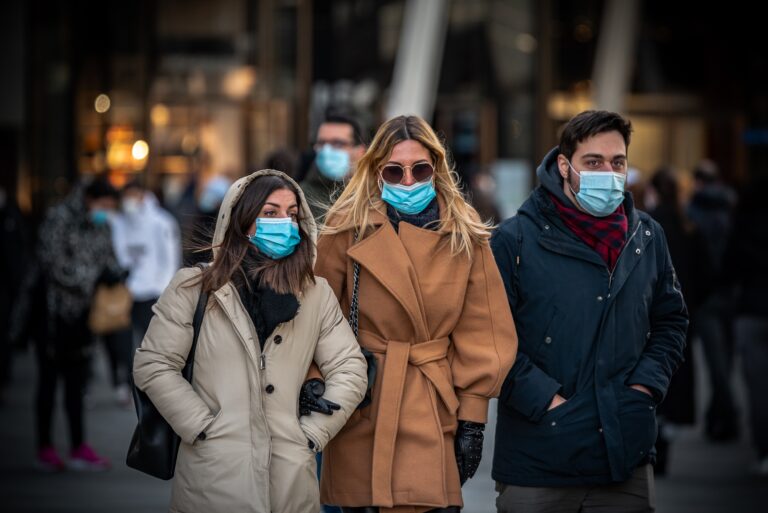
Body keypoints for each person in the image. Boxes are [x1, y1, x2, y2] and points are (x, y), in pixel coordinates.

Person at [313, 115, 517, 512]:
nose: (408, 181)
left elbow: (484, 329)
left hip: (432, 401)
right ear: (377, 172)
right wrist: (315, 380)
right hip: (364, 397)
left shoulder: (464, 232)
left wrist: (473, 418)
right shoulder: (345, 226)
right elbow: (316, 319)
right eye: (395, 170)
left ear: (436, 169)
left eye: (419, 169)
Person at [132, 169, 368, 512]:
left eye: (292, 214)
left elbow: (350, 369)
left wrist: (312, 434)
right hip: (213, 480)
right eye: (270, 213)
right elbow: (154, 364)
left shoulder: (316, 294)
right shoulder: (194, 287)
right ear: (241, 221)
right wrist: (201, 427)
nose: (284, 223)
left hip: (290, 484)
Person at [491, 110, 688, 513]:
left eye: (618, 162)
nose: (608, 173)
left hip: (624, 457)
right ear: (565, 166)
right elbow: (489, 337)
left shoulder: (647, 236)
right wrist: (547, 402)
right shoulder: (515, 239)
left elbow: (671, 320)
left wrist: (644, 389)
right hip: (538, 458)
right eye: (593, 162)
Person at [35, 177, 126, 471]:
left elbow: (109, 256)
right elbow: (51, 262)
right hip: (53, 313)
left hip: (86, 315)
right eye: (103, 205)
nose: (105, 211)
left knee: (77, 382)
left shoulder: (102, 225)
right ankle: (45, 447)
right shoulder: (59, 218)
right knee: (49, 380)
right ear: (89, 198)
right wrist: (91, 276)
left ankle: (78, 446)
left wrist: (116, 273)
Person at [645, 167, 711, 474]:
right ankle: (666, 437)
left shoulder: (647, 224)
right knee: (676, 376)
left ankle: (657, 440)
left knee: (654, 376)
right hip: (684, 314)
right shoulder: (688, 225)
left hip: (651, 314)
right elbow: (707, 272)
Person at [686, 160, 739, 442]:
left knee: (715, 363)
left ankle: (727, 416)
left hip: (706, 298)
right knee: (725, 362)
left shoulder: (692, 212)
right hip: (732, 294)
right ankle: (717, 417)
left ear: (698, 182)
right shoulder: (733, 209)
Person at [721, 174, 768, 475]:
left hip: (752, 311)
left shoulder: (744, 225)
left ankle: (764, 451)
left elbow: (729, 268)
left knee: (758, 387)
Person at [300, 112, 366, 221]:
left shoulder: (374, 194)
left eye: (338, 144)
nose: (326, 150)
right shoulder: (301, 197)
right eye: (321, 143)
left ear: (360, 152)